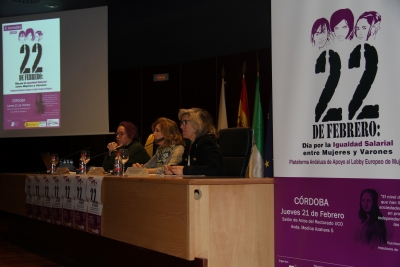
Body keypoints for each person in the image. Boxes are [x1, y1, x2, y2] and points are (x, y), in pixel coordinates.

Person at [164, 108, 223, 176]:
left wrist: (184, 170)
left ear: (198, 124)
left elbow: (213, 168)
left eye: (185, 122)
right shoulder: (190, 143)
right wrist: (172, 169)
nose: (181, 126)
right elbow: (185, 164)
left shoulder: (206, 142)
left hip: (212, 185)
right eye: (181, 123)